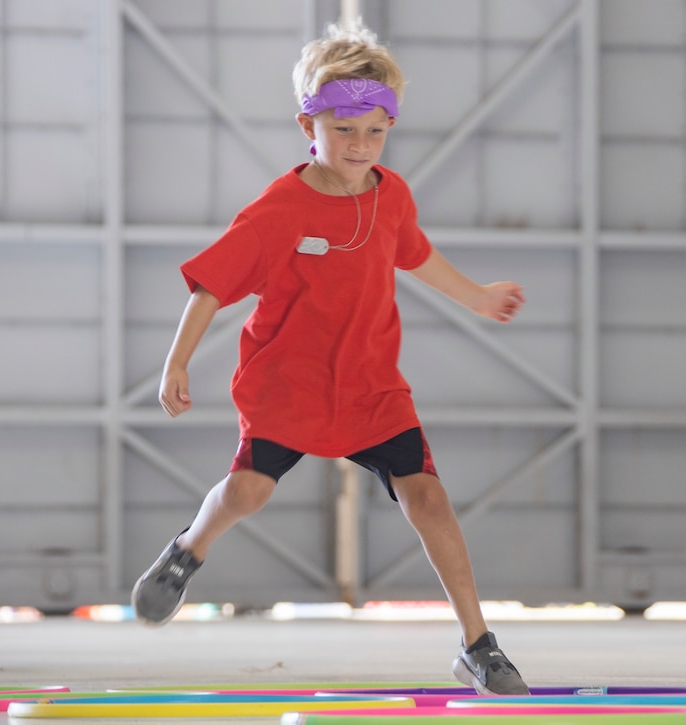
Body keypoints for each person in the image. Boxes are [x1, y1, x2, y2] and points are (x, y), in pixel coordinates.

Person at [131, 20, 529, 696]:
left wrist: (478, 296)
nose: (360, 144)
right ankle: (186, 550)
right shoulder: (280, 209)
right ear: (308, 124)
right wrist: (177, 362)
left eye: (375, 131)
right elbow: (211, 285)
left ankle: (478, 645)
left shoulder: (391, 195)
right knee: (249, 491)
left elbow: (416, 255)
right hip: (290, 384)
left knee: (429, 499)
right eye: (344, 129)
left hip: (371, 387)